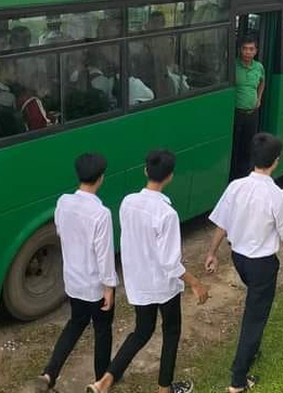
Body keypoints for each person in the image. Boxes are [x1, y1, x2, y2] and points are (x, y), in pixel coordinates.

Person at [88, 150, 209, 393]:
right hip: (163, 286)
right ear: (170, 176)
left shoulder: (127, 202)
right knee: (171, 331)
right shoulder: (167, 214)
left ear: (145, 171)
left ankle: (105, 380)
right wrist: (195, 283)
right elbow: (170, 263)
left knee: (142, 331)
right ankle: (164, 388)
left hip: (138, 282)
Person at [204, 133, 283, 393]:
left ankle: (252, 350)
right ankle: (238, 381)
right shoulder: (278, 196)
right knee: (255, 318)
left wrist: (212, 252)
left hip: (239, 259)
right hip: (262, 264)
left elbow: (222, 223)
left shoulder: (236, 187)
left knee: (254, 306)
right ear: (276, 161)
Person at [37, 153, 118, 392]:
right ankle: (100, 380)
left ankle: (49, 373)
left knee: (76, 323)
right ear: (101, 178)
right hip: (95, 285)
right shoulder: (101, 213)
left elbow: (60, 231)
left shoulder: (63, 202)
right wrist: (109, 287)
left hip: (73, 280)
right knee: (102, 330)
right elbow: (104, 255)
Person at [230, 36, 265, 179]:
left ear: (256, 51)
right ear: (240, 50)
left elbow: (262, 82)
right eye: (245, 49)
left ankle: (243, 177)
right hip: (236, 113)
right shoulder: (233, 65)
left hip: (252, 114)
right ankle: (232, 177)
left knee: (248, 147)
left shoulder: (259, 67)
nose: (247, 52)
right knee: (234, 147)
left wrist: (259, 98)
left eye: (251, 49)